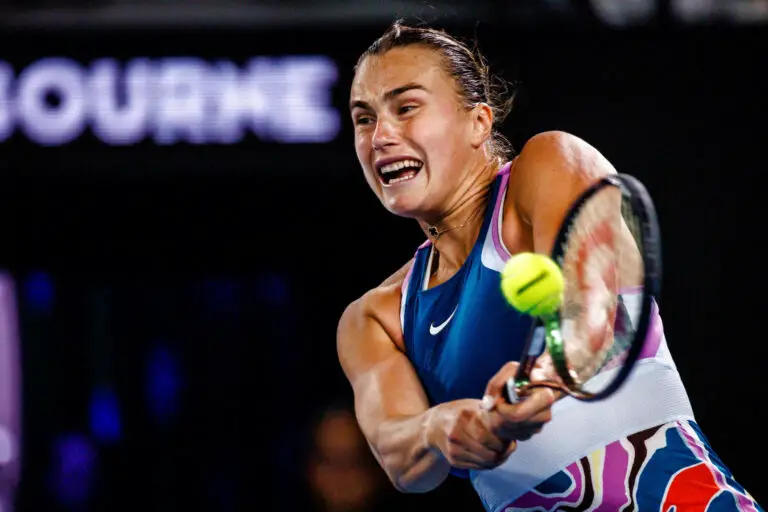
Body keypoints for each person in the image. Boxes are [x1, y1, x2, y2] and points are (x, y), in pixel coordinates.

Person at [336, 21, 762, 511]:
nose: (380, 136)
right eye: (364, 119)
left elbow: (592, 315)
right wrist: (439, 427)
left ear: (479, 122)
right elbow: (398, 457)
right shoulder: (374, 318)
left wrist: (540, 381)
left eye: (406, 107)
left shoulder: (551, 163)